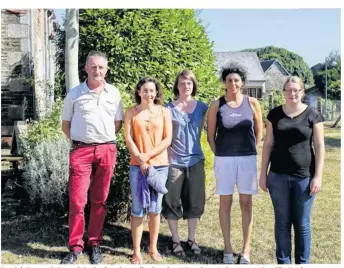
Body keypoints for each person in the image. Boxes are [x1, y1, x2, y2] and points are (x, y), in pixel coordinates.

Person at [61, 51, 124, 264]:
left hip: (106, 149)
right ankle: (75, 246)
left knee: (100, 199)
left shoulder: (113, 93)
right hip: (81, 152)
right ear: (86, 68)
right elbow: (66, 125)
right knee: (77, 201)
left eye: (101, 67)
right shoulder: (74, 94)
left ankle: (94, 242)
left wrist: (102, 139)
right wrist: (82, 142)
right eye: (93, 67)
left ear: (106, 70)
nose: (98, 71)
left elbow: (118, 123)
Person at [259, 76, 324, 264]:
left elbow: (319, 146)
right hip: (277, 177)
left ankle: (303, 263)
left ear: (302, 92)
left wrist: (317, 177)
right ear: (284, 92)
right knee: (281, 224)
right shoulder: (274, 115)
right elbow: (268, 144)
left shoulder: (313, 115)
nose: (292, 93)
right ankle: (283, 262)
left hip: (304, 178)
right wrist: (263, 174)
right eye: (288, 90)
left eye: (296, 90)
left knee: (302, 224)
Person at [207, 62, 263, 264]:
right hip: (224, 160)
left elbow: (259, 131)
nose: (233, 83)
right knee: (225, 203)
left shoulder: (252, 103)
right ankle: (228, 249)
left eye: (236, 80)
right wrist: (220, 154)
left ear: (242, 83)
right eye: (229, 79)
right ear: (224, 82)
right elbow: (210, 136)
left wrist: (250, 150)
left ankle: (245, 250)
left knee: (246, 203)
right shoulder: (216, 105)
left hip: (247, 158)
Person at [124, 77, 172, 264]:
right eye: (145, 90)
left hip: (160, 166)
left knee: (155, 209)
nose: (148, 94)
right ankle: (136, 252)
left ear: (156, 93)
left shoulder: (164, 112)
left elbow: (167, 139)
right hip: (137, 167)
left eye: (152, 91)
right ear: (139, 92)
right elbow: (129, 139)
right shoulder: (131, 113)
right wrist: (141, 160)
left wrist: (148, 156)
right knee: (137, 210)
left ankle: (153, 248)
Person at [161, 70, 208, 256]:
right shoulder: (168, 109)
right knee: (171, 200)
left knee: (195, 201)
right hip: (174, 161)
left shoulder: (202, 107)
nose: (186, 86)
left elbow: (200, 132)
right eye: (182, 83)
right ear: (177, 86)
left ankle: (191, 238)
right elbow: (165, 136)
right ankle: (175, 240)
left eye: (189, 83)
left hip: (195, 160)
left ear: (193, 85)